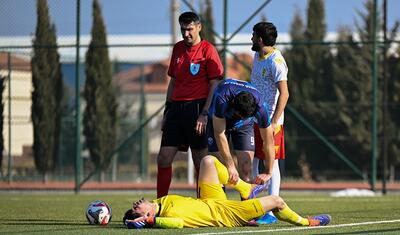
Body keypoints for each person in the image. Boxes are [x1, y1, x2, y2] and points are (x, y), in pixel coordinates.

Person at [123, 155, 331, 229]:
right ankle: (306, 222)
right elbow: (176, 224)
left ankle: (245, 188)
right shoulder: (166, 216)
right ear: (146, 216)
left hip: (209, 200)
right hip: (227, 214)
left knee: (208, 161)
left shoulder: (161, 201)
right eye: (136, 209)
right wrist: (146, 222)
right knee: (276, 200)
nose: (136, 203)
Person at [157, 11, 223, 198]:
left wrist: (204, 113)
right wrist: (167, 110)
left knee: (200, 161)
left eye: (190, 29)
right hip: (176, 109)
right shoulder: (177, 49)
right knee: (163, 157)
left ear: (199, 27)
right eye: (183, 29)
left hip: (197, 108)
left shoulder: (208, 50)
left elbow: (215, 83)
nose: (186, 34)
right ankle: (160, 203)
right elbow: (173, 81)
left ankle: (204, 202)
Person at [250, 22, 289, 224]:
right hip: (255, 118)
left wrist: (274, 122)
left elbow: (285, 93)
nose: (251, 39)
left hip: (271, 123)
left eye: (253, 35)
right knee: (253, 161)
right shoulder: (256, 56)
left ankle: (271, 212)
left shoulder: (276, 61)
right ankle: (255, 207)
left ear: (260, 39)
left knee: (271, 165)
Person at [207, 78, 275, 186]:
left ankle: (247, 202)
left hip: (244, 126)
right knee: (220, 167)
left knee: (246, 169)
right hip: (218, 121)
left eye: (245, 116)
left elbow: (268, 141)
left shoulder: (261, 107)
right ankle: (220, 202)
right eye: (240, 116)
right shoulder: (222, 98)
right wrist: (230, 165)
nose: (241, 118)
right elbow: (219, 133)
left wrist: (268, 172)